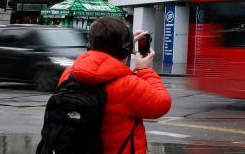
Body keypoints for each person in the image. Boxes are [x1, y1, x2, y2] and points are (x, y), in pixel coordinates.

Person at [58, 17, 171, 154]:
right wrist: (144, 70)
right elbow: (162, 104)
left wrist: (125, 45)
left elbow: (101, 65)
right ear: (127, 50)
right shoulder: (127, 85)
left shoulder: (69, 73)